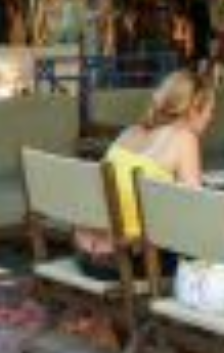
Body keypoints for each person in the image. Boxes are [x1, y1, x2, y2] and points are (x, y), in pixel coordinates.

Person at [76, 69, 213, 276]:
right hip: (126, 259)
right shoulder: (184, 138)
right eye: (210, 111)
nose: (212, 118)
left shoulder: (130, 132)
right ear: (193, 109)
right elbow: (194, 212)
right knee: (222, 248)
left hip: (86, 255)